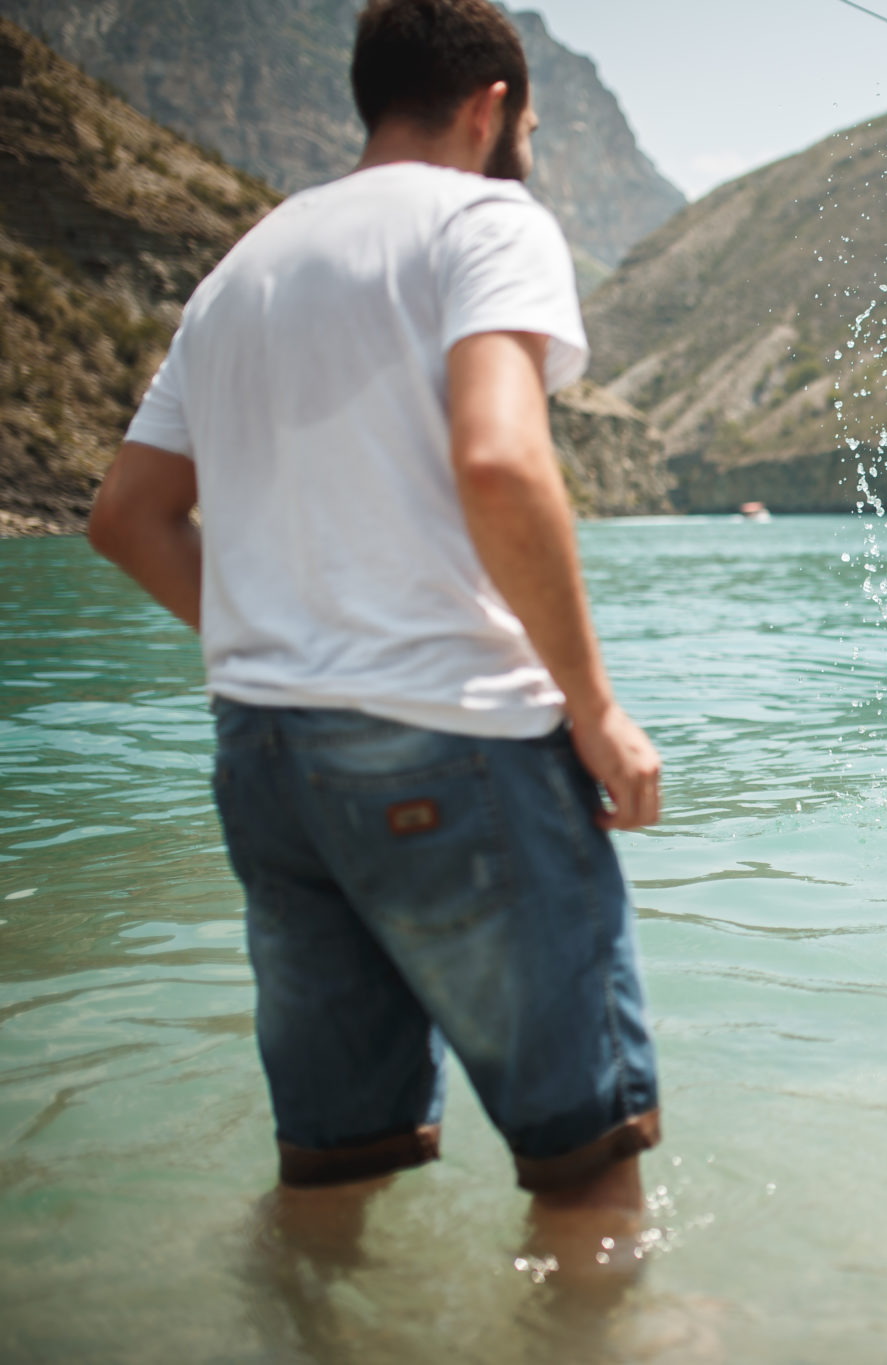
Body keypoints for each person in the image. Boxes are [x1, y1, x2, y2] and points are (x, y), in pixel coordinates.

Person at [86, 0, 662, 1276]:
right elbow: (504, 463)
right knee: (587, 1166)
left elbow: (126, 518)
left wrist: (289, 640)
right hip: (451, 745)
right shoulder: (484, 219)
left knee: (331, 1170)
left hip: (266, 762)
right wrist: (594, 705)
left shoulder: (242, 268)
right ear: (492, 106)